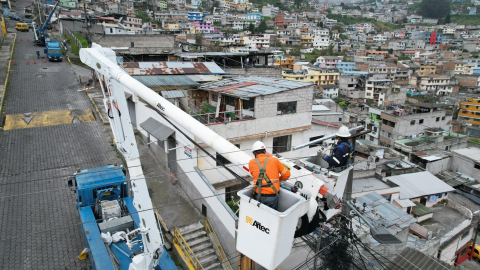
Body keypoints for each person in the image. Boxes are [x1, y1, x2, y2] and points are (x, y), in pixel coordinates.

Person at [248, 141, 291, 210]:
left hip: (258, 195)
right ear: (264, 151)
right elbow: (287, 174)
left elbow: (254, 175)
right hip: (272, 196)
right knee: (272, 217)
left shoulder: (251, 163)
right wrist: (278, 180)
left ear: (255, 153)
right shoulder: (274, 160)